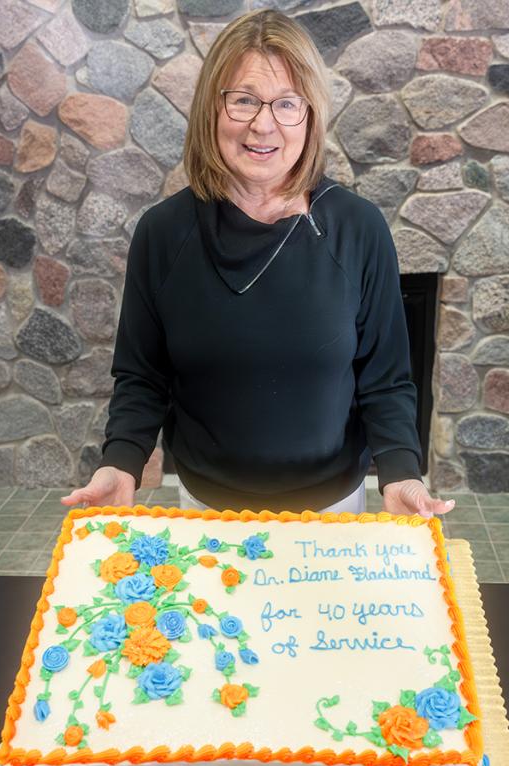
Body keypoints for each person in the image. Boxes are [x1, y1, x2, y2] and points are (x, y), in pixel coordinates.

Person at [62, 9, 455, 519]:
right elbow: (142, 376)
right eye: (243, 100)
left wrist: (401, 471)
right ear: (212, 109)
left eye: (287, 103)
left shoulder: (359, 229)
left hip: (333, 510)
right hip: (207, 510)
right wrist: (120, 464)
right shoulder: (162, 234)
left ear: (310, 115)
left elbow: (385, 379)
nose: (262, 124)